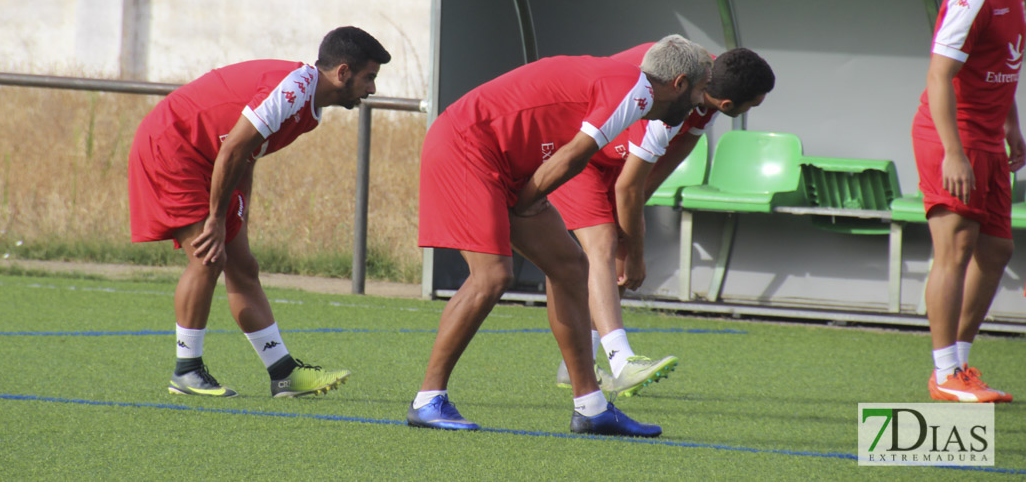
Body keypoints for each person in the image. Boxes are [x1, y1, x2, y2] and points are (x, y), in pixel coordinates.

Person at [408, 34, 712, 437]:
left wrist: (526, 199)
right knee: (492, 276)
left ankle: (591, 407)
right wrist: (526, 202)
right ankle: (428, 400)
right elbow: (573, 156)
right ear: (678, 83)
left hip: (501, 158)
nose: (700, 102)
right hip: (468, 146)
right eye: (700, 90)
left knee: (571, 268)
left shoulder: (634, 89)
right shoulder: (636, 94)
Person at [127, 26, 391, 398]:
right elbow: (233, 149)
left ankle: (283, 373)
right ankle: (186, 371)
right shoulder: (294, 89)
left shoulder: (309, 108)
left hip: (209, 159)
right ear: (343, 72)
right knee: (208, 258)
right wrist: (217, 221)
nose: (372, 89)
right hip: (173, 146)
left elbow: (246, 155)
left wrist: (238, 216)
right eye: (369, 78)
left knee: (243, 265)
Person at [549, 46, 774, 397]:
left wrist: (631, 236)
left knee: (618, 246)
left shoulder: (710, 88)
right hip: (573, 148)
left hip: (609, 157)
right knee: (605, 245)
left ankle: (577, 363)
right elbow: (628, 187)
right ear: (727, 105)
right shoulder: (670, 99)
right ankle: (622, 363)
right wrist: (635, 252)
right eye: (754, 105)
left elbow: (648, 180)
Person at [911, 0, 1026, 403]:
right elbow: (940, 76)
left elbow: (1001, 65)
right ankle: (943, 372)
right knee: (955, 249)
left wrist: (1012, 127)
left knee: (997, 248)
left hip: (988, 137)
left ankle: (958, 362)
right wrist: (955, 151)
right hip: (949, 135)